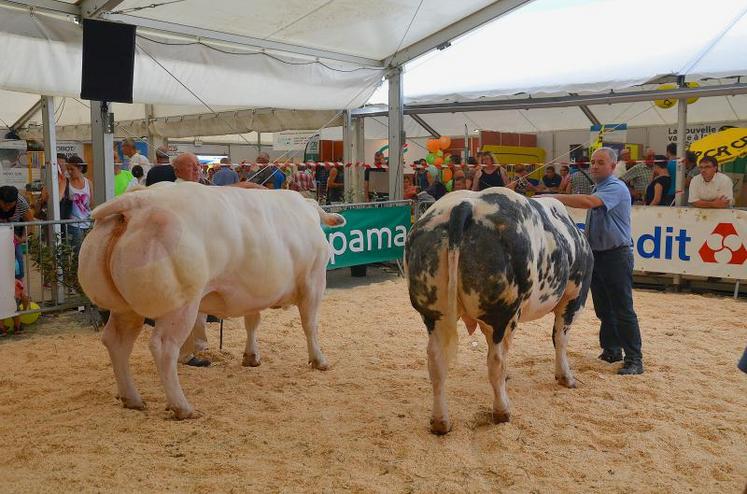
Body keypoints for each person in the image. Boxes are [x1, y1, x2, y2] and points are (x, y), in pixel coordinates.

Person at [550, 147, 644, 375]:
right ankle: (612, 351)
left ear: (612, 167)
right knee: (604, 308)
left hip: (616, 254)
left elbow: (587, 202)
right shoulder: (600, 187)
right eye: (592, 162)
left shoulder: (615, 187)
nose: (594, 166)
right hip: (598, 255)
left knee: (622, 308)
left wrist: (552, 197)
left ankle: (635, 359)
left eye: (600, 162)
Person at [0, 185, 35, 284]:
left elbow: (30, 222)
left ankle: (20, 285)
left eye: (10, 204)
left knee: (18, 260)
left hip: (15, 234)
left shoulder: (21, 203)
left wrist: (22, 238)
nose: (7, 207)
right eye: (4, 204)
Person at [65, 155, 93, 253]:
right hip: (74, 223)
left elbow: (92, 202)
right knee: (79, 251)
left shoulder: (88, 182)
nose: (69, 172)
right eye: (68, 169)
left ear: (80, 168)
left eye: (72, 169)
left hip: (87, 221)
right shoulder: (67, 183)